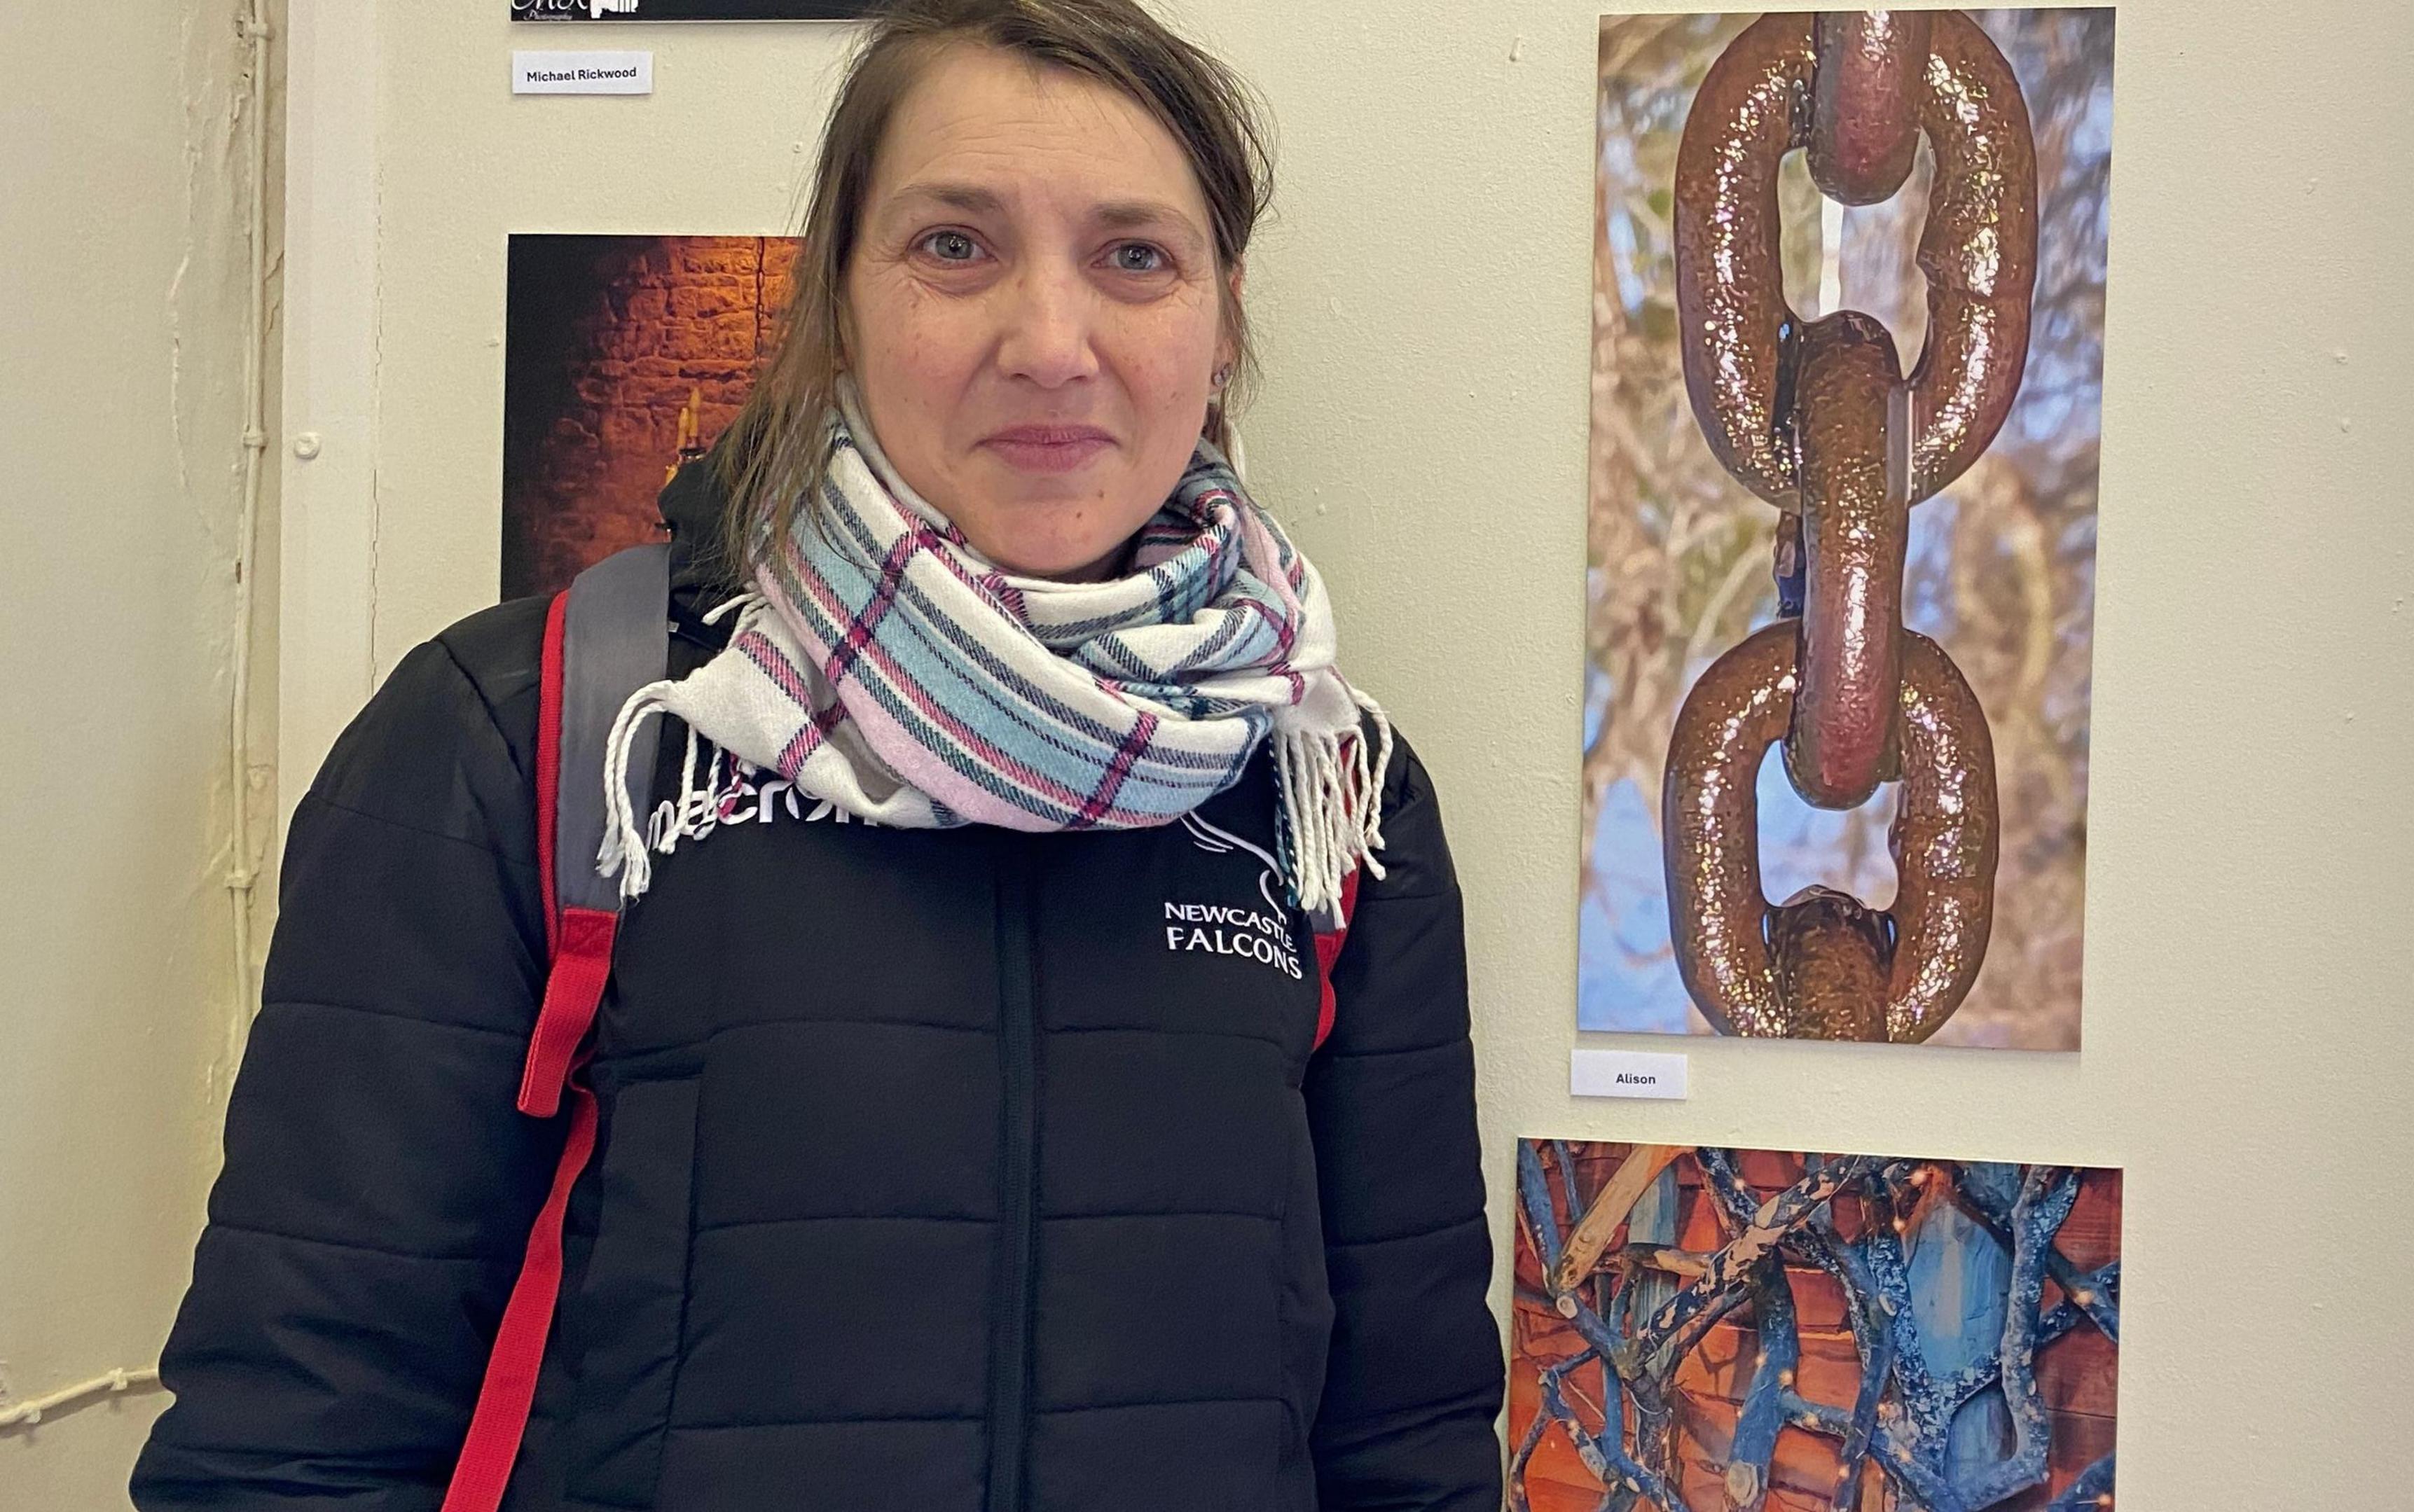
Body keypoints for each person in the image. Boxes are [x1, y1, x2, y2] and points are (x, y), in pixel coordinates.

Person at [130, 3, 1503, 1508]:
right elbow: (293, 1440)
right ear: (839, 299)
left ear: (1221, 317)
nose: (1051, 344)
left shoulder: (1326, 796)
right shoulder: (533, 734)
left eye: (1134, 256)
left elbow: (1405, 1442)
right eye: (956, 247)